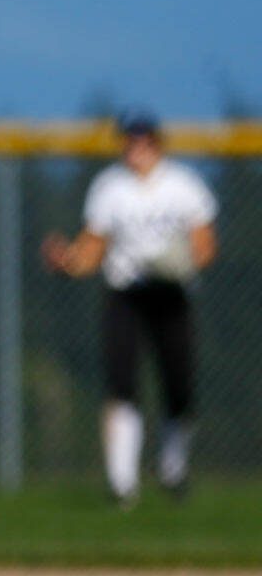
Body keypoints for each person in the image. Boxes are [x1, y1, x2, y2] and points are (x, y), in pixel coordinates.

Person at [43, 111, 218, 505]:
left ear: (157, 144)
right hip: (127, 294)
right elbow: (91, 251)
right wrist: (68, 262)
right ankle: (122, 485)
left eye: (143, 141)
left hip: (172, 294)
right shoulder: (110, 188)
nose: (135, 148)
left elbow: (205, 244)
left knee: (179, 385)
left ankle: (174, 470)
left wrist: (182, 263)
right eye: (129, 141)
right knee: (122, 385)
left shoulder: (183, 186)